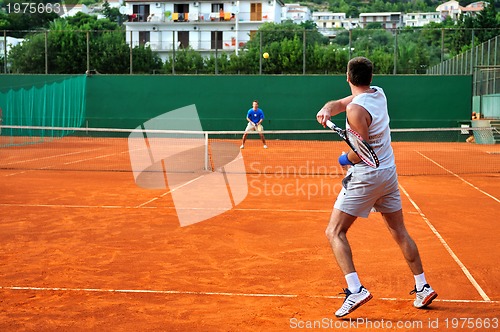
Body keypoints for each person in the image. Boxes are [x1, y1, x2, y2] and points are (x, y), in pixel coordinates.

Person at [316, 57, 437, 318]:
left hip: (366, 176)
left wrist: (343, 159)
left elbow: (362, 153)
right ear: (369, 78)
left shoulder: (356, 111)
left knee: (334, 232)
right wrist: (327, 109)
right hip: (388, 174)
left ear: (347, 77)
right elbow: (340, 103)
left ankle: (355, 289)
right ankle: (422, 286)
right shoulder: (377, 93)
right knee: (399, 231)